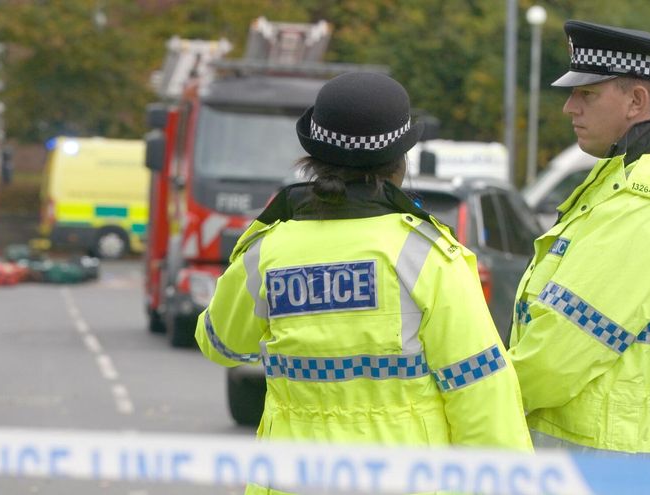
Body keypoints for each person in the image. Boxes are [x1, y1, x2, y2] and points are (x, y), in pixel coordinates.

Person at [196, 72, 533, 493]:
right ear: (400, 163)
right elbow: (480, 392)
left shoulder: (267, 252)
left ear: (312, 159)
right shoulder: (426, 255)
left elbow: (221, 343)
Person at [508, 20, 650, 456]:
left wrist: (469, 402)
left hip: (617, 464)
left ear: (636, 101)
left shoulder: (648, 196)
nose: (569, 107)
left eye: (587, 93)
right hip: (646, 459)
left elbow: (559, 352)